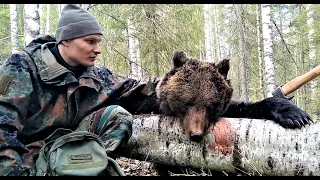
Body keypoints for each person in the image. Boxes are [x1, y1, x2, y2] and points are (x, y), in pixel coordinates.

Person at [0, 4, 145, 176]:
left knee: (117, 116)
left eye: (99, 42)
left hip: (68, 153)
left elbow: (140, 91)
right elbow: (3, 129)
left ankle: (90, 170)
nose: (98, 49)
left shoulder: (96, 77)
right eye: (90, 41)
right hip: (29, 159)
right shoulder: (22, 67)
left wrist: (181, 86)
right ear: (66, 40)